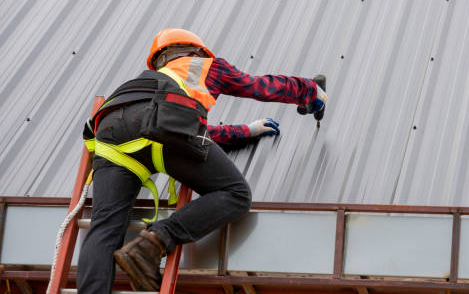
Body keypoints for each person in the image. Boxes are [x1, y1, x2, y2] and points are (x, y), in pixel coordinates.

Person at [77, 28, 327, 293]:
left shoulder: (138, 86)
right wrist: (310, 91)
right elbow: (259, 86)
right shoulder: (206, 66)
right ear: (197, 51)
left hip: (111, 141)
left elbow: (192, 131)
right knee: (236, 194)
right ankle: (152, 242)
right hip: (163, 134)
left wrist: (247, 131)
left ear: (159, 59)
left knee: (104, 228)